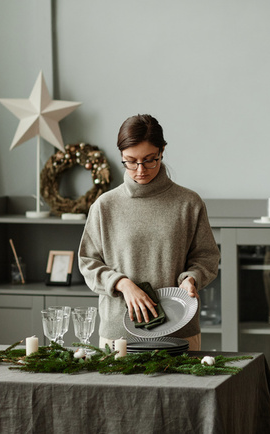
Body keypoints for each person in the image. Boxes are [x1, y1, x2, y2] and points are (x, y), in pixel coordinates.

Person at [78, 114, 220, 351]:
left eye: (149, 160)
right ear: (121, 156)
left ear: (162, 151)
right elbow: (88, 262)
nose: (140, 170)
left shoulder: (189, 203)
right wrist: (121, 283)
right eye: (130, 161)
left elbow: (207, 258)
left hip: (179, 331)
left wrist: (191, 279)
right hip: (119, 335)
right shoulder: (105, 205)